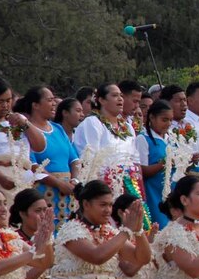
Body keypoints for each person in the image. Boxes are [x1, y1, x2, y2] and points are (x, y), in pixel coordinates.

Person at [49, 181, 175, 279]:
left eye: (110, 205)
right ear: (86, 204)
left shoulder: (109, 231)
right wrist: (126, 231)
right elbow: (97, 257)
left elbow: (142, 258)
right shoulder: (70, 230)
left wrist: (138, 231)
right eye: (103, 205)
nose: (108, 210)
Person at [73, 83, 149, 228]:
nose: (120, 99)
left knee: (135, 222)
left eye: (121, 95)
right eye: (114, 96)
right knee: (111, 224)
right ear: (101, 100)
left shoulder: (126, 126)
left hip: (131, 183)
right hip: (105, 183)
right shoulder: (92, 123)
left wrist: (139, 186)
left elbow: (135, 159)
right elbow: (90, 158)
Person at [15, 87, 81, 223]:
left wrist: (74, 181)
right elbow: (32, 165)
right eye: (49, 100)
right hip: (45, 190)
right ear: (35, 105)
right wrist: (58, 183)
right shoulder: (25, 132)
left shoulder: (58, 128)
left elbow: (74, 160)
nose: (54, 104)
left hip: (68, 191)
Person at [136, 101, 174, 228]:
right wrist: (165, 163)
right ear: (152, 117)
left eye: (170, 120)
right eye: (164, 120)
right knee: (160, 227)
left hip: (171, 191)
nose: (168, 124)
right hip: (153, 191)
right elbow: (142, 171)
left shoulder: (171, 138)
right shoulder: (143, 139)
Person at [8, 188, 54, 279]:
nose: (43, 215)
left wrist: (47, 241)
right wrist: (43, 245)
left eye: (45, 210)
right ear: (23, 214)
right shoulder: (12, 240)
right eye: (38, 211)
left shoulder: (51, 236)